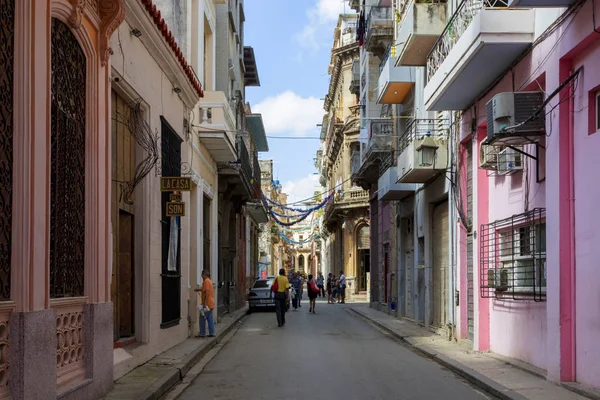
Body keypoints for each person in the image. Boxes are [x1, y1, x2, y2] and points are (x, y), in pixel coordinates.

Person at [194, 270, 215, 338]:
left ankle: (202, 333)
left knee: (202, 318)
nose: (201, 276)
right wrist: (199, 290)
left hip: (207, 303)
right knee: (210, 318)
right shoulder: (209, 281)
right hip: (211, 302)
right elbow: (205, 289)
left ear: (204, 275)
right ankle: (212, 332)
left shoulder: (206, 281)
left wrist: (204, 303)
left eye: (202, 274)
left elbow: (206, 291)